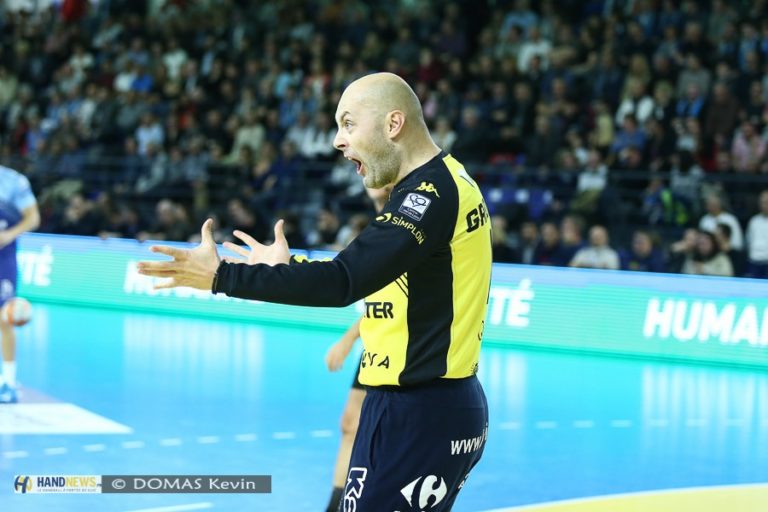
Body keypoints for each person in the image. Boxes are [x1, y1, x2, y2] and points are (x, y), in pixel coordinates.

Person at [138, 72, 492, 511]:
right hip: (413, 405)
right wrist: (289, 268)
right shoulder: (434, 187)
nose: (337, 141)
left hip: (421, 413)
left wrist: (223, 277)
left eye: (348, 123)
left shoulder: (431, 195)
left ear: (393, 124)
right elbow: (366, 276)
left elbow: (344, 281)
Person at [323, 185, 390, 512]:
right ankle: (337, 504)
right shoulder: (379, 228)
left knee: (384, 435)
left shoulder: (407, 230)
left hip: (403, 346)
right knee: (350, 423)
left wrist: (348, 339)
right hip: (378, 340)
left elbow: (390, 304)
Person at [0, 165, 41, 403]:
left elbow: (33, 218)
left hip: (3, 257)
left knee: (4, 318)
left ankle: (10, 382)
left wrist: (9, 234)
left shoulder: (13, 181)